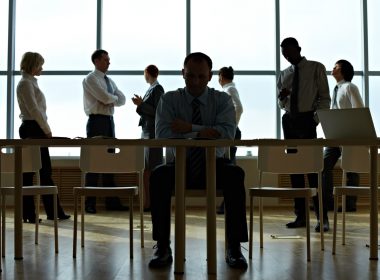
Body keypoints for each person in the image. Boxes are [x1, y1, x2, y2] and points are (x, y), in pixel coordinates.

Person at [148, 52, 248, 270]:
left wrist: (188, 129)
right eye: (190, 76)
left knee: (235, 174)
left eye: (201, 77)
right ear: (182, 73)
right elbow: (162, 134)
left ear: (210, 76)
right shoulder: (169, 99)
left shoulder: (222, 100)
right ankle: (162, 245)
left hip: (215, 164)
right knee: (158, 176)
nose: (195, 81)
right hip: (178, 165)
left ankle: (234, 246)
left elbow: (227, 134)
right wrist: (207, 131)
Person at [277, 37, 331, 232]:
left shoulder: (316, 68)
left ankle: (322, 218)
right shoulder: (284, 74)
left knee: (314, 170)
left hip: (307, 120)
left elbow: (324, 97)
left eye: (289, 52)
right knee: (295, 171)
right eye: (284, 54)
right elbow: (280, 102)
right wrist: (282, 100)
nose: (287, 56)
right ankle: (300, 216)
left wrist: (315, 120)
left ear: (299, 49)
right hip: (289, 120)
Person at [16, 51, 70, 223]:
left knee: (39, 172)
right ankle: (39, 213)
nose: (42, 68)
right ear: (33, 65)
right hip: (34, 128)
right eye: (40, 65)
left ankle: (44, 213)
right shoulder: (25, 84)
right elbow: (34, 110)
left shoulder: (28, 82)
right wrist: (47, 130)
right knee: (36, 172)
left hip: (33, 127)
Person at [82, 49, 127, 214]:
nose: (109, 62)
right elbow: (105, 98)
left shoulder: (109, 80)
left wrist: (111, 99)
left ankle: (112, 202)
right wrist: (111, 98)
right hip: (96, 122)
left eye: (109, 59)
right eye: (106, 59)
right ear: (96, 61)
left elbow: (122, 99)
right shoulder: (90, 79)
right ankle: (90, 203)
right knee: (94, 163)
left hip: (109, 122)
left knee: (110, 162)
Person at [323, 60, 364, 214]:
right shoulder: (335, 88)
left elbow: (359, 110)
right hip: (334, 134)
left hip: (348, 134)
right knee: (323, 166)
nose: (332, 68)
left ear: (343, 70)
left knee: (351, 169)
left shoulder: (350, 87)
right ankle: (328, 203)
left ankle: (350, 204)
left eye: (336, 67)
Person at [131, 65, 164, 211]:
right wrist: (141, 105)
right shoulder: (152, 88)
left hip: (151, 133)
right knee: (147, 169)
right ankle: (149, 201)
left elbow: (157, 111)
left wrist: (141, 104)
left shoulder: (157, 89)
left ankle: (151, 202)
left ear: (147, 73)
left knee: (150, 169)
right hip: (147, 132)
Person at [217, 66, 243, 214]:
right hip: (231, 131)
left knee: (230, 166)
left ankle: (228, 204)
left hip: (231, 132)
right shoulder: (230, 89)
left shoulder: (229, 90)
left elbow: (239, 108)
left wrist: (231, 126)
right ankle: (227, 203)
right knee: (230, 165)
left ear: (221, 76)